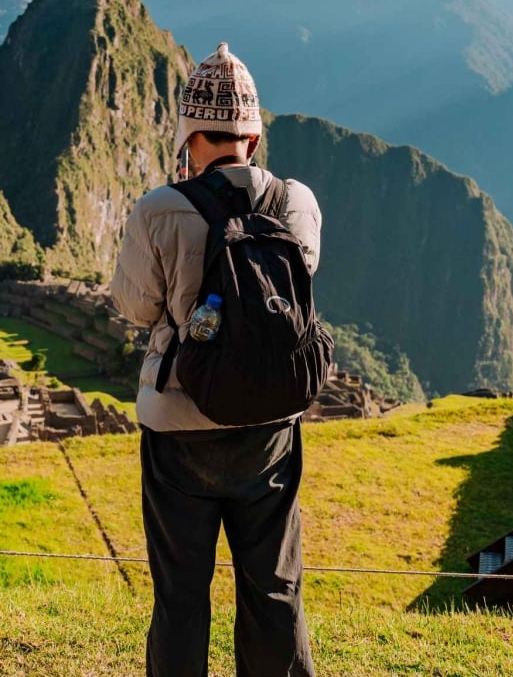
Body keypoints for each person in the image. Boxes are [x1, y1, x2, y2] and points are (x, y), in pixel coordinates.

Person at [110, 42, 322, 677]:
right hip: (269, 429)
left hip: (179, 427)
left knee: (180, 597)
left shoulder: (159, 209)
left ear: (188, 136)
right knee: (275, 592)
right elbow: (297, 297)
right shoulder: (295, 203)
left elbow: (137, 309)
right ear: (252, 138)